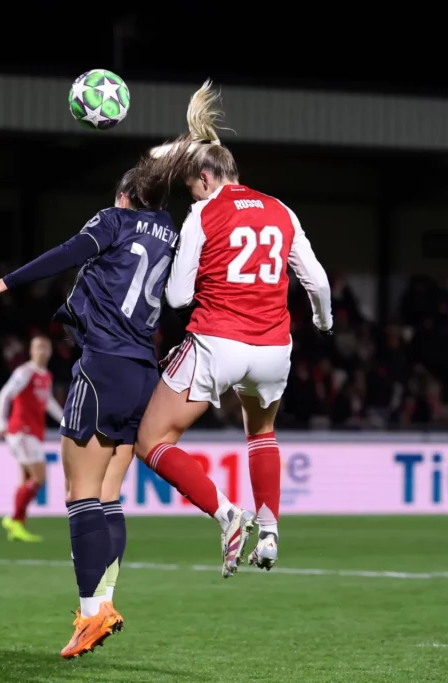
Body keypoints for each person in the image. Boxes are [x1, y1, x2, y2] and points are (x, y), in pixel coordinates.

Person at [0, 147, 186, 659]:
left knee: (79, 493)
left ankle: (89, 613)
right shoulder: (169, 231)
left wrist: (5, 281)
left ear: (124, 196)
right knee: (108, 494)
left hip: (102, 364)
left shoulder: (114, 219)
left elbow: (69, 251)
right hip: (142, 372)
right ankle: (103, 602)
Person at [135, 81, 333, 578]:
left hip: (218, 341)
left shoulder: (204, 214)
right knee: (261, 432)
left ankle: (227, 514)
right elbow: (317, 281)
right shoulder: (281, 209)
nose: (192, 194)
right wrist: (323, 322)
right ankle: (269, 533)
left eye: (191, 187)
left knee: (153, 440)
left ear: (205, 177)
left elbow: (178, 297)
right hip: (273, 348)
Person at [0, 334, 64, 542]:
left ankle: (18, 527)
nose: (42, 351)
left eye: (45, 347)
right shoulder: (25, 372)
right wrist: (0, 423)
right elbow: (4, 394)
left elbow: (48, 401)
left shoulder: (46, 376)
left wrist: (64, 420)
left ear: (50, 351)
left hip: (33, 432)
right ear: (31, 351)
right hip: (21, 431)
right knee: (39, 477)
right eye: (38, 347)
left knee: (26, 480)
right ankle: (14, 518)